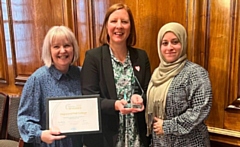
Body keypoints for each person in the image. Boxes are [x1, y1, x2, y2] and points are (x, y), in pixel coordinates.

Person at [80, 3, 151, 147]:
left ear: (130, 27)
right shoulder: (93, 57)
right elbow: (89, 99)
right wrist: (115, 105)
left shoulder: (141, 57)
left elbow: (148, 91)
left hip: (137, 135)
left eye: (124, 21)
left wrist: (140, 98)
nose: (119, 26)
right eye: (114, 21)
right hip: (107, 138)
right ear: (106, 26)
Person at [145, 22, 212, 147]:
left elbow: (201, 109)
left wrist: (168, 126)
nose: (169, 47)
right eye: (165, 43)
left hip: (190, 142)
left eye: (175, 42)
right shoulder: (157, 74)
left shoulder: (195, 73)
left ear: (183, 43)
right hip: (161, 142)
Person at [17, 26, 82, 147]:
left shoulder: (82, 75)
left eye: (67, 45)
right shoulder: (37, 79)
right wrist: (40, 134)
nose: (62, 51)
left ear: (74, 48)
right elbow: (24, 119)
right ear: (49, 50)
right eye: (56, 46)